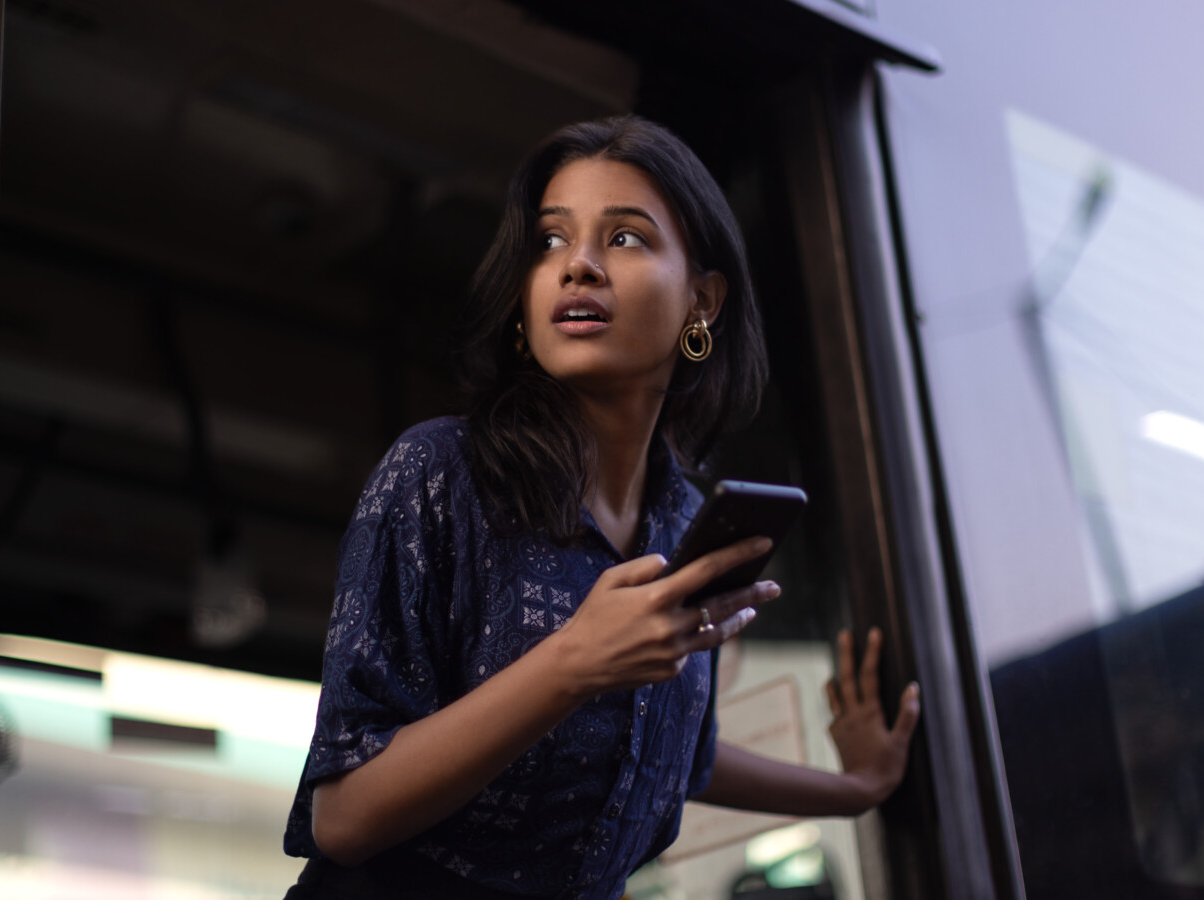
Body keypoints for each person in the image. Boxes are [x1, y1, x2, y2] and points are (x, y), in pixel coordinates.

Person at [281, 116, 921, 899]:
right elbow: (344, 817)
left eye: (624, 239)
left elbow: (681, 755)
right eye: (551, 241)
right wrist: (574, 662)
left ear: (703, 302)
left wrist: (856, 790)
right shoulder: (439, 472)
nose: (578, 265)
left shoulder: (687, 523)